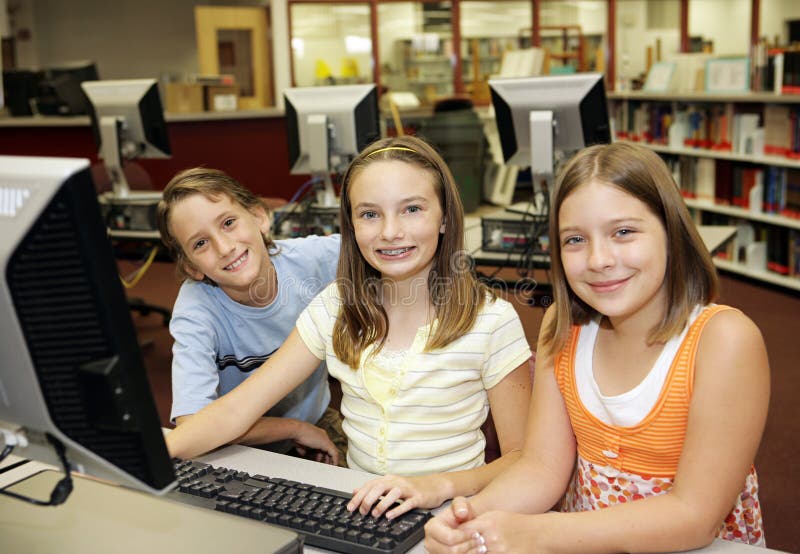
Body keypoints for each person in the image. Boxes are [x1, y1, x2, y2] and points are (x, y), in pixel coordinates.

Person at [424, 142, 770, 553]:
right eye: (574, 240)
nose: (599, 259)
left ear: (671, 231)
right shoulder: (564, 325)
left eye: (623, 232)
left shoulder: (724, 340)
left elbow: (694, 517)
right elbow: (542, 467)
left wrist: (531, 534)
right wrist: (469, 518)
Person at [165, 135, 533, 520]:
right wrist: (137, 464)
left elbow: (525, 459)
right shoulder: (334, 307)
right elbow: (232, 412)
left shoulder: (492, 321)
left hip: (455, 512)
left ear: (444, 217)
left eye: (411, 209)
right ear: (351, 225)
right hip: (362, 512)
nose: (390, 231)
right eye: (370, 214)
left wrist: (439, 485)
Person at [157, 167, 346, 465]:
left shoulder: (310, 260)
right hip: (234, 441)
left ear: (259, 217)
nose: (224, 247)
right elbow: (193, 425)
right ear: (192, 267)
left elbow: (375, 245)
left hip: (315, 419)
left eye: (229, 223)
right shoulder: (196, 310)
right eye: (200, 243)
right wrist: (292, 428)